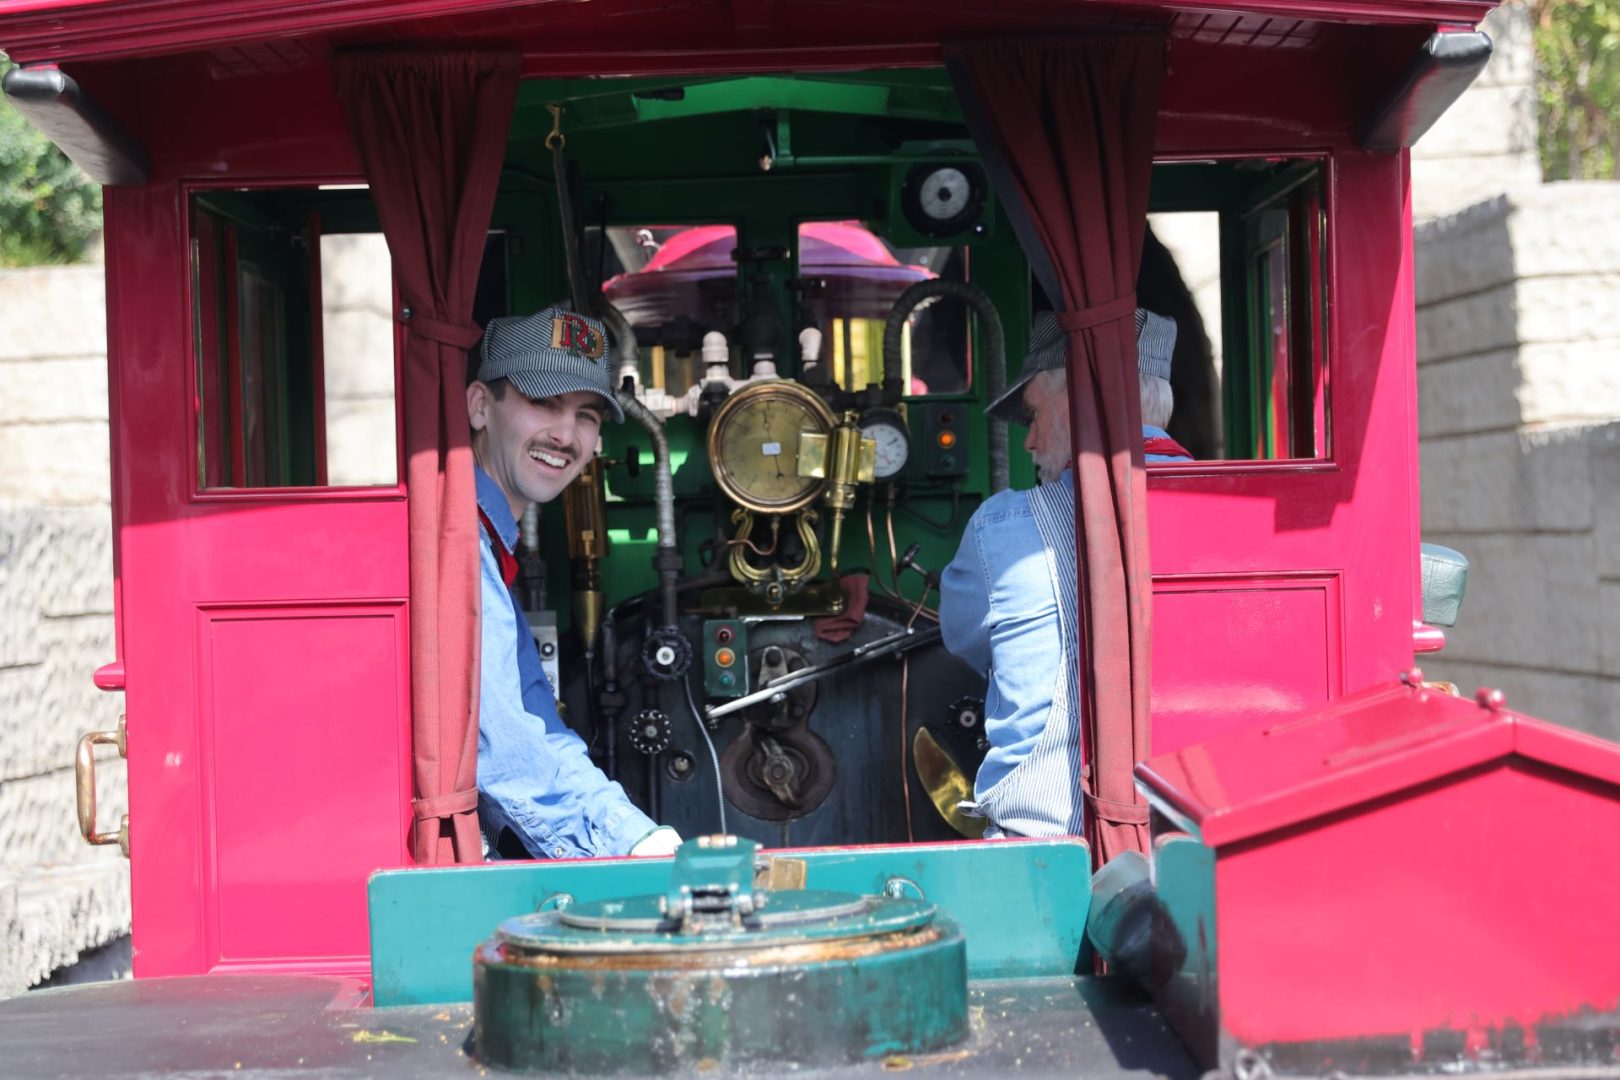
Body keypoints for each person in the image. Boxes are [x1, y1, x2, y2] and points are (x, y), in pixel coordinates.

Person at [938, 308, 1186, 839]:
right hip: (1201, 844)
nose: (1028, 442)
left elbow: (964, 638)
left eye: (1032, 416)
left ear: (1080, 400)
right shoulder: (1241, 510)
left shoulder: (1002, 526)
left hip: (1048, 850)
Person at [467, 304, 681, 859]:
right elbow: (506, 746)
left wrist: (634, 833)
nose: (566, 435)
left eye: (587, 415)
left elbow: (533, 714)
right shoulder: (457, 541)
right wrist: (628, 845)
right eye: (544, 403)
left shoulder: (485, 536)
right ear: (480, 406)